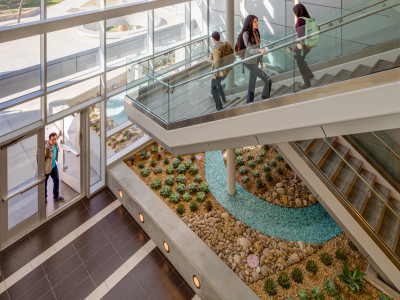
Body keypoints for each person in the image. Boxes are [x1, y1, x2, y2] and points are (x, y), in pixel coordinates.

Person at [237, 15, 271, 103]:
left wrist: (261, 61)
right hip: (249, 62)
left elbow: (258, 47)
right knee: (268, 80)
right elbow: (249, 50)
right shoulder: (246, 34)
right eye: (255, 22)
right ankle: (265, 100)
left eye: (257, 21)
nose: (257, 23)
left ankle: (249, 102)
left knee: (252, 83)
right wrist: (260, 50)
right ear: (250, 23)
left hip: (255, 61)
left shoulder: (256, 33)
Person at [293, 3, 316, 89]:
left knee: (299, 61)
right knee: (300, 59)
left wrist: (296, 50)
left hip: (304, 45)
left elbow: (300, 37)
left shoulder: (300, 20)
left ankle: (307, 83)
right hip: (310, 43)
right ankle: (309, 75)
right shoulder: (309, 18)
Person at [209, 31, 227, 111]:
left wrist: (211, 59)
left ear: (213, 39)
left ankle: (219, 109)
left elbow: (216, 63)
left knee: (213, 91)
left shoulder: (216, 49)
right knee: (218, 85)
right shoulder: (223, 45)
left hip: (217, 73)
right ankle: (224, 99)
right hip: (225, 70)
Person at [45, 131, 64, 204]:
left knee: (56, 181)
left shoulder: (55, 144)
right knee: (44, 185)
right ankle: (44, 198)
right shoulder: (46, 149)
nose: (54, 141)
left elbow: (57, 138)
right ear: (49, 140)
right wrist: (42, 173)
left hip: (54, 167)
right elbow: (41, 160)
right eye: (52, 140)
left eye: (55, 139)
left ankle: (56, 196)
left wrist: (59, 134)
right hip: (46, 169)